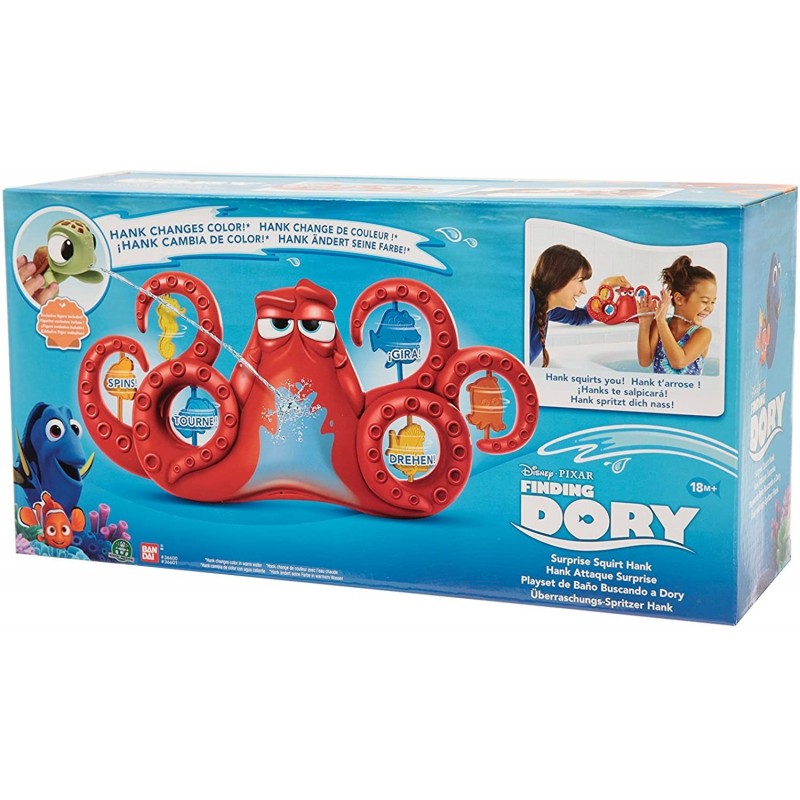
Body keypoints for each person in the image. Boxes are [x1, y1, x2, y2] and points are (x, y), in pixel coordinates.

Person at [529, 244, 630, 366]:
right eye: (580, 280)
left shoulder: (548, 309)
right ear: (557, 277)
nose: (584, 290)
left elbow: (584, 316)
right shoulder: (528, 301)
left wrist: (605, 286)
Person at [637, 255, 716, 375]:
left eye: (713, 302)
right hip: (660, 388)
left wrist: (661, 321)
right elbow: (644, 361)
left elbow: (678, 362)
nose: (710, 308)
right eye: (705, 301)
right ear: (679, 299)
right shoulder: (659, 326)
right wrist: (644, 323)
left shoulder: (703, 334)